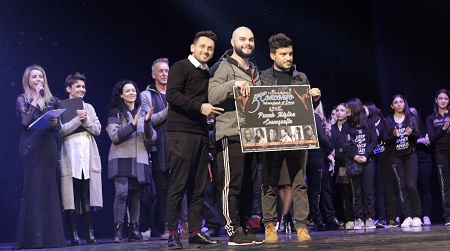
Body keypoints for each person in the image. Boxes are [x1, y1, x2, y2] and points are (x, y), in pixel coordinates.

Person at [259, 33, 321, 242]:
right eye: (283, 54)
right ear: (272, 55)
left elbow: (306, 110)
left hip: (297, 137)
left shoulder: (300, 77)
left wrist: (315, 98)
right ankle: (269, 225)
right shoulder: (263, 77)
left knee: (299, 182)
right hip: (271, 138)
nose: (288, 57)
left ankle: (302, 226)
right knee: (269, 182)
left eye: (290, 53)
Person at [165, 30, 223, 249]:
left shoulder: (207, 74)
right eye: (202, 47)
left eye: (210, 48)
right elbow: (172, 95)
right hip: (180, 134)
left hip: (200, 134)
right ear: (193, 47)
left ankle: (196, 232)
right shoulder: (181, 67)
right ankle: (172, 232)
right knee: (178, 185)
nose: (206, 51)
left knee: (198, 188)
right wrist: (200, 107)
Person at [208, 26, 265, 246]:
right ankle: (232, 229)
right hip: (230, 133)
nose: (247, 43)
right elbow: (211, 95)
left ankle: (243, 226)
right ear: (233, 42)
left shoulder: (254, 69)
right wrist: (234, 85)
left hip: (251, 135)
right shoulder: (222, 66)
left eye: (251, 39)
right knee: (231, 184)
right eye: (243, 39)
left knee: (248, 186)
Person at [14, 65, 66, 249]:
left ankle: (52, 239)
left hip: (48, 147)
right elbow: (24, 122)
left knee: (50, 189)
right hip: (30, 147)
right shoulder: (23, 99)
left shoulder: (53, 100)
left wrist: (54, 124)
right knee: (33, 190)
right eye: (34, 77)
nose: (38, 80)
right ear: (28, 80)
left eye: (41, 77)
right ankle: (32, 239)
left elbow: (59, 130)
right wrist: (35, 100)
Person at [106, 80, 156, 243]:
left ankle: (134, 230)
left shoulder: (142, 113)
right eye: (127, 91)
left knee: (136, 195)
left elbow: (151, 138)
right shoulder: (115, 112)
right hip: (120, 158)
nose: (131, 93)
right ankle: (118, 231)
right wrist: (132, 125)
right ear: (121, 94)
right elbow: (114, 136)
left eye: (133, 90)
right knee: (121, 193)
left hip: (139, 158)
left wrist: (147, 122)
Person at [58, 72, 102, 245]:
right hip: (70, 155)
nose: (82, 89)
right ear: (69, 88)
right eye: (78, 86)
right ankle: (74, 235)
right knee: (71, 196)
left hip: (86, 155)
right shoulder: (61, 107)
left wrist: (86, 121)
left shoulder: (89, 107)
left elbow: (97, 129)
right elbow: (60, 131)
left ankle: (90, 233)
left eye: (83, 86)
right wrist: (77, 120)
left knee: (86, 194)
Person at [140, 58, 171, 239]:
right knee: (164, 188)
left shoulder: (174, 92)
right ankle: (168, 226)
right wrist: (168, 110)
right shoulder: (147, 95)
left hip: (177, 142)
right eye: (161, 71)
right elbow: (149, 120)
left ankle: (184, 224)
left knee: (180, 186)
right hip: (159, 146)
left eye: (167, 71)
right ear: (154, 75)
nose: (165, 74)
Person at [383, 94, 422, 228]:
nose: (399, 104)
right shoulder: (388, 120)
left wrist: (411, 134)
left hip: (410, 155)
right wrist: (393, 136)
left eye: (401, 102)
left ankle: (417, 215)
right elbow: (384, 139)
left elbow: (417, 136)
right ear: (392, 106)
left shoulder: (411, 117)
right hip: (395, 156)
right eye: (396, 102)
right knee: (401, 186)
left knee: (411, 184)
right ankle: (407, 216)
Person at [338, 98, 378, 230]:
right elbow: (342, 143)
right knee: (357, 192)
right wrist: (354, 156)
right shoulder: (346, 125)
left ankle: (370, 218)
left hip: (368, 161)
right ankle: (359, 218)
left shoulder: (369, 123)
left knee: (368, 191)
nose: (346, 111)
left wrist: (365, 155)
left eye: (348, 108)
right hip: (354, 162)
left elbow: (373, 140)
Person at [426, 89, 450, 225]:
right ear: (436, 100)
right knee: (444, 185)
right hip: (440, 153)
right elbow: (432, 137)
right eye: (440, 98)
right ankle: (448, 216)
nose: (443, 101)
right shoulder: (431, 118)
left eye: (446, 99)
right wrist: (443, 128)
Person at [329, 103, 355, 229]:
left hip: (352, 161)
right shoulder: (332, 128)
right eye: (337, 110)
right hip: (341, 164)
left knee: (355, 190)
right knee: (344, 191)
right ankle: (347, 218)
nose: (339, 113)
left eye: (342, 110)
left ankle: (357, 217)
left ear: (347, 112)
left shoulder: (350, 126)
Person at [410, 107, 433, 226]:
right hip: (410, 160)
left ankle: (426, 215)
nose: (412, 115)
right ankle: (414, 215)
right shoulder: (407, 128)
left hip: (424, 160)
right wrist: (419, 141)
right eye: (410, 113)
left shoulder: (424, 127)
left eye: (414, 112)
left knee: (425, 188)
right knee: (412, 188)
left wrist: (426, 140)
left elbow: (430, 140)